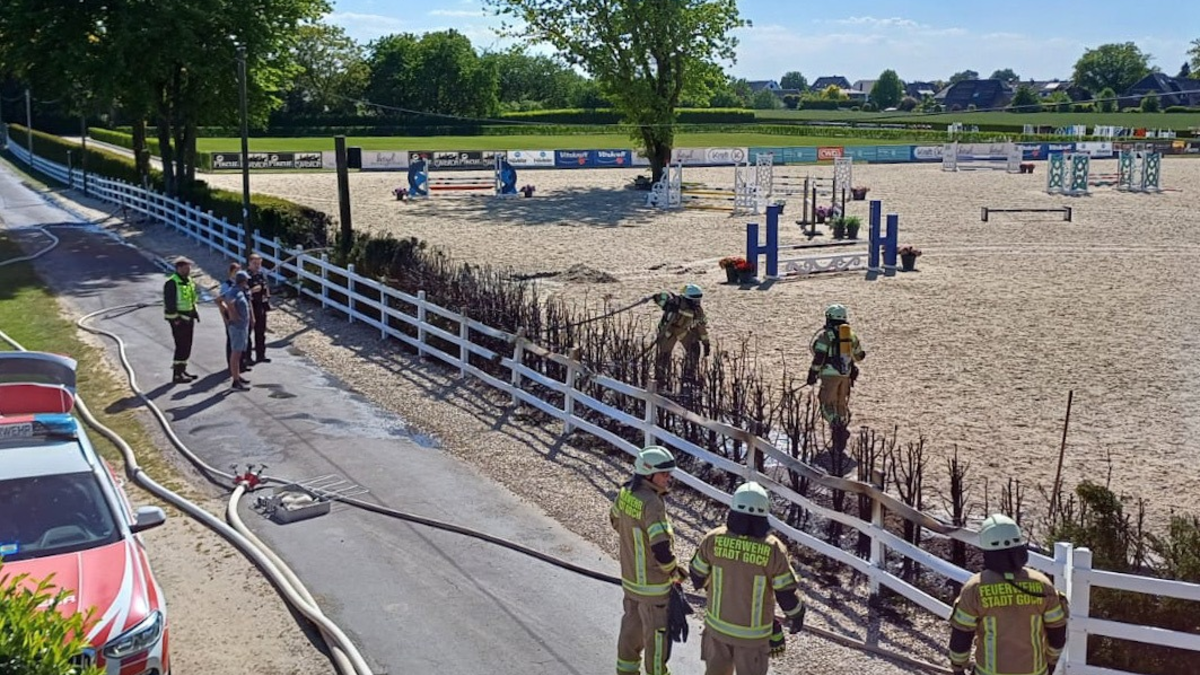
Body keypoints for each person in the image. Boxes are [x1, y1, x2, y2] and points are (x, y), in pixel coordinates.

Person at [689, 482, 805, 675]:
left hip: (717, 631)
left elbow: (696, 577)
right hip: (753, 639)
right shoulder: (773, 549)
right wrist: (797, 615)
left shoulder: (713, 538)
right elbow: (785, 594)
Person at [948, 514, 1068, 675]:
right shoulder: (1042, 584)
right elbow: (1058, 634)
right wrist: (1050, 664)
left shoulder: (975, 588)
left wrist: (958, 668)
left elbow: (961, 637)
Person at [611, 446, 686, 675]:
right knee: (657, 642)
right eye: (664, 474)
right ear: (648, 474)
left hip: (631, 582)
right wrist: (674, 571)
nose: (668, 478)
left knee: (630, 634)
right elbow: (661, 548)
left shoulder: (625, 493)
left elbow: (615, 520)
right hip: (653, 588)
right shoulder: (652, 503)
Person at [806, 303, 865, 428]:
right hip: (846, 375)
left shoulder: (826, 336)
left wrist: (813, 373)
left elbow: (819, 357)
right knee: (841, 403)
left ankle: (835, 425)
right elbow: (859, 356)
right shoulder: (851, 335)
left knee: (826, 404)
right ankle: (843, 424)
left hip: (829, 376)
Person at [650, 284, 711, 379]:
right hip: (668, 332)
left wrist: (706, 343)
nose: (697, 302)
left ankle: (688, 374)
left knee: (694, 349)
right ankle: (660, 377)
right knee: (664, 355)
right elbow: (661, 297)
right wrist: (667, 303)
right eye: (694, 299)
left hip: (682, 331)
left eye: (698, 299)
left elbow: (701, 328)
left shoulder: (697, 311)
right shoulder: (675, 302)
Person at [163, 256, 200, 384]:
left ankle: (182, 370)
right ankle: (177, 374)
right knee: (181, 346)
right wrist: (176, 319)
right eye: (186, 268)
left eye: (189, 268)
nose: (188, 270)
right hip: (179, 320)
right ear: (178, 268)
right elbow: (170, 303)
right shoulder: (172, 283)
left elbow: (191, 299)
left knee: (187, 345)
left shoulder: (188, 280)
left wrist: (194, 313)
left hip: (189, 318)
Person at [220, 270, 254, 391]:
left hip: (241, 326)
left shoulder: (239, 291)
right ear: (243, 281)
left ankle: (237, 376)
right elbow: (226, 302)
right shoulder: (234, 292)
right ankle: (235, 381)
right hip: (237, 327)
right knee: (236, 354)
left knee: (239, 354)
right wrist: (233, 316)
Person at [246, 254, 272, 364]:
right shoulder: (245, 276)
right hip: (250, 306)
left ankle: (261, 355)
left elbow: (266, 287)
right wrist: (252, 290)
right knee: (248, 333)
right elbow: (242, 292)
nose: (257, 266)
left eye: (259, 263)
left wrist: (267, 295)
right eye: (255, 263)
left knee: (261, 332)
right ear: (249, 263)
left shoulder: (261, 275)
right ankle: (247, 357)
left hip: (261, 306)